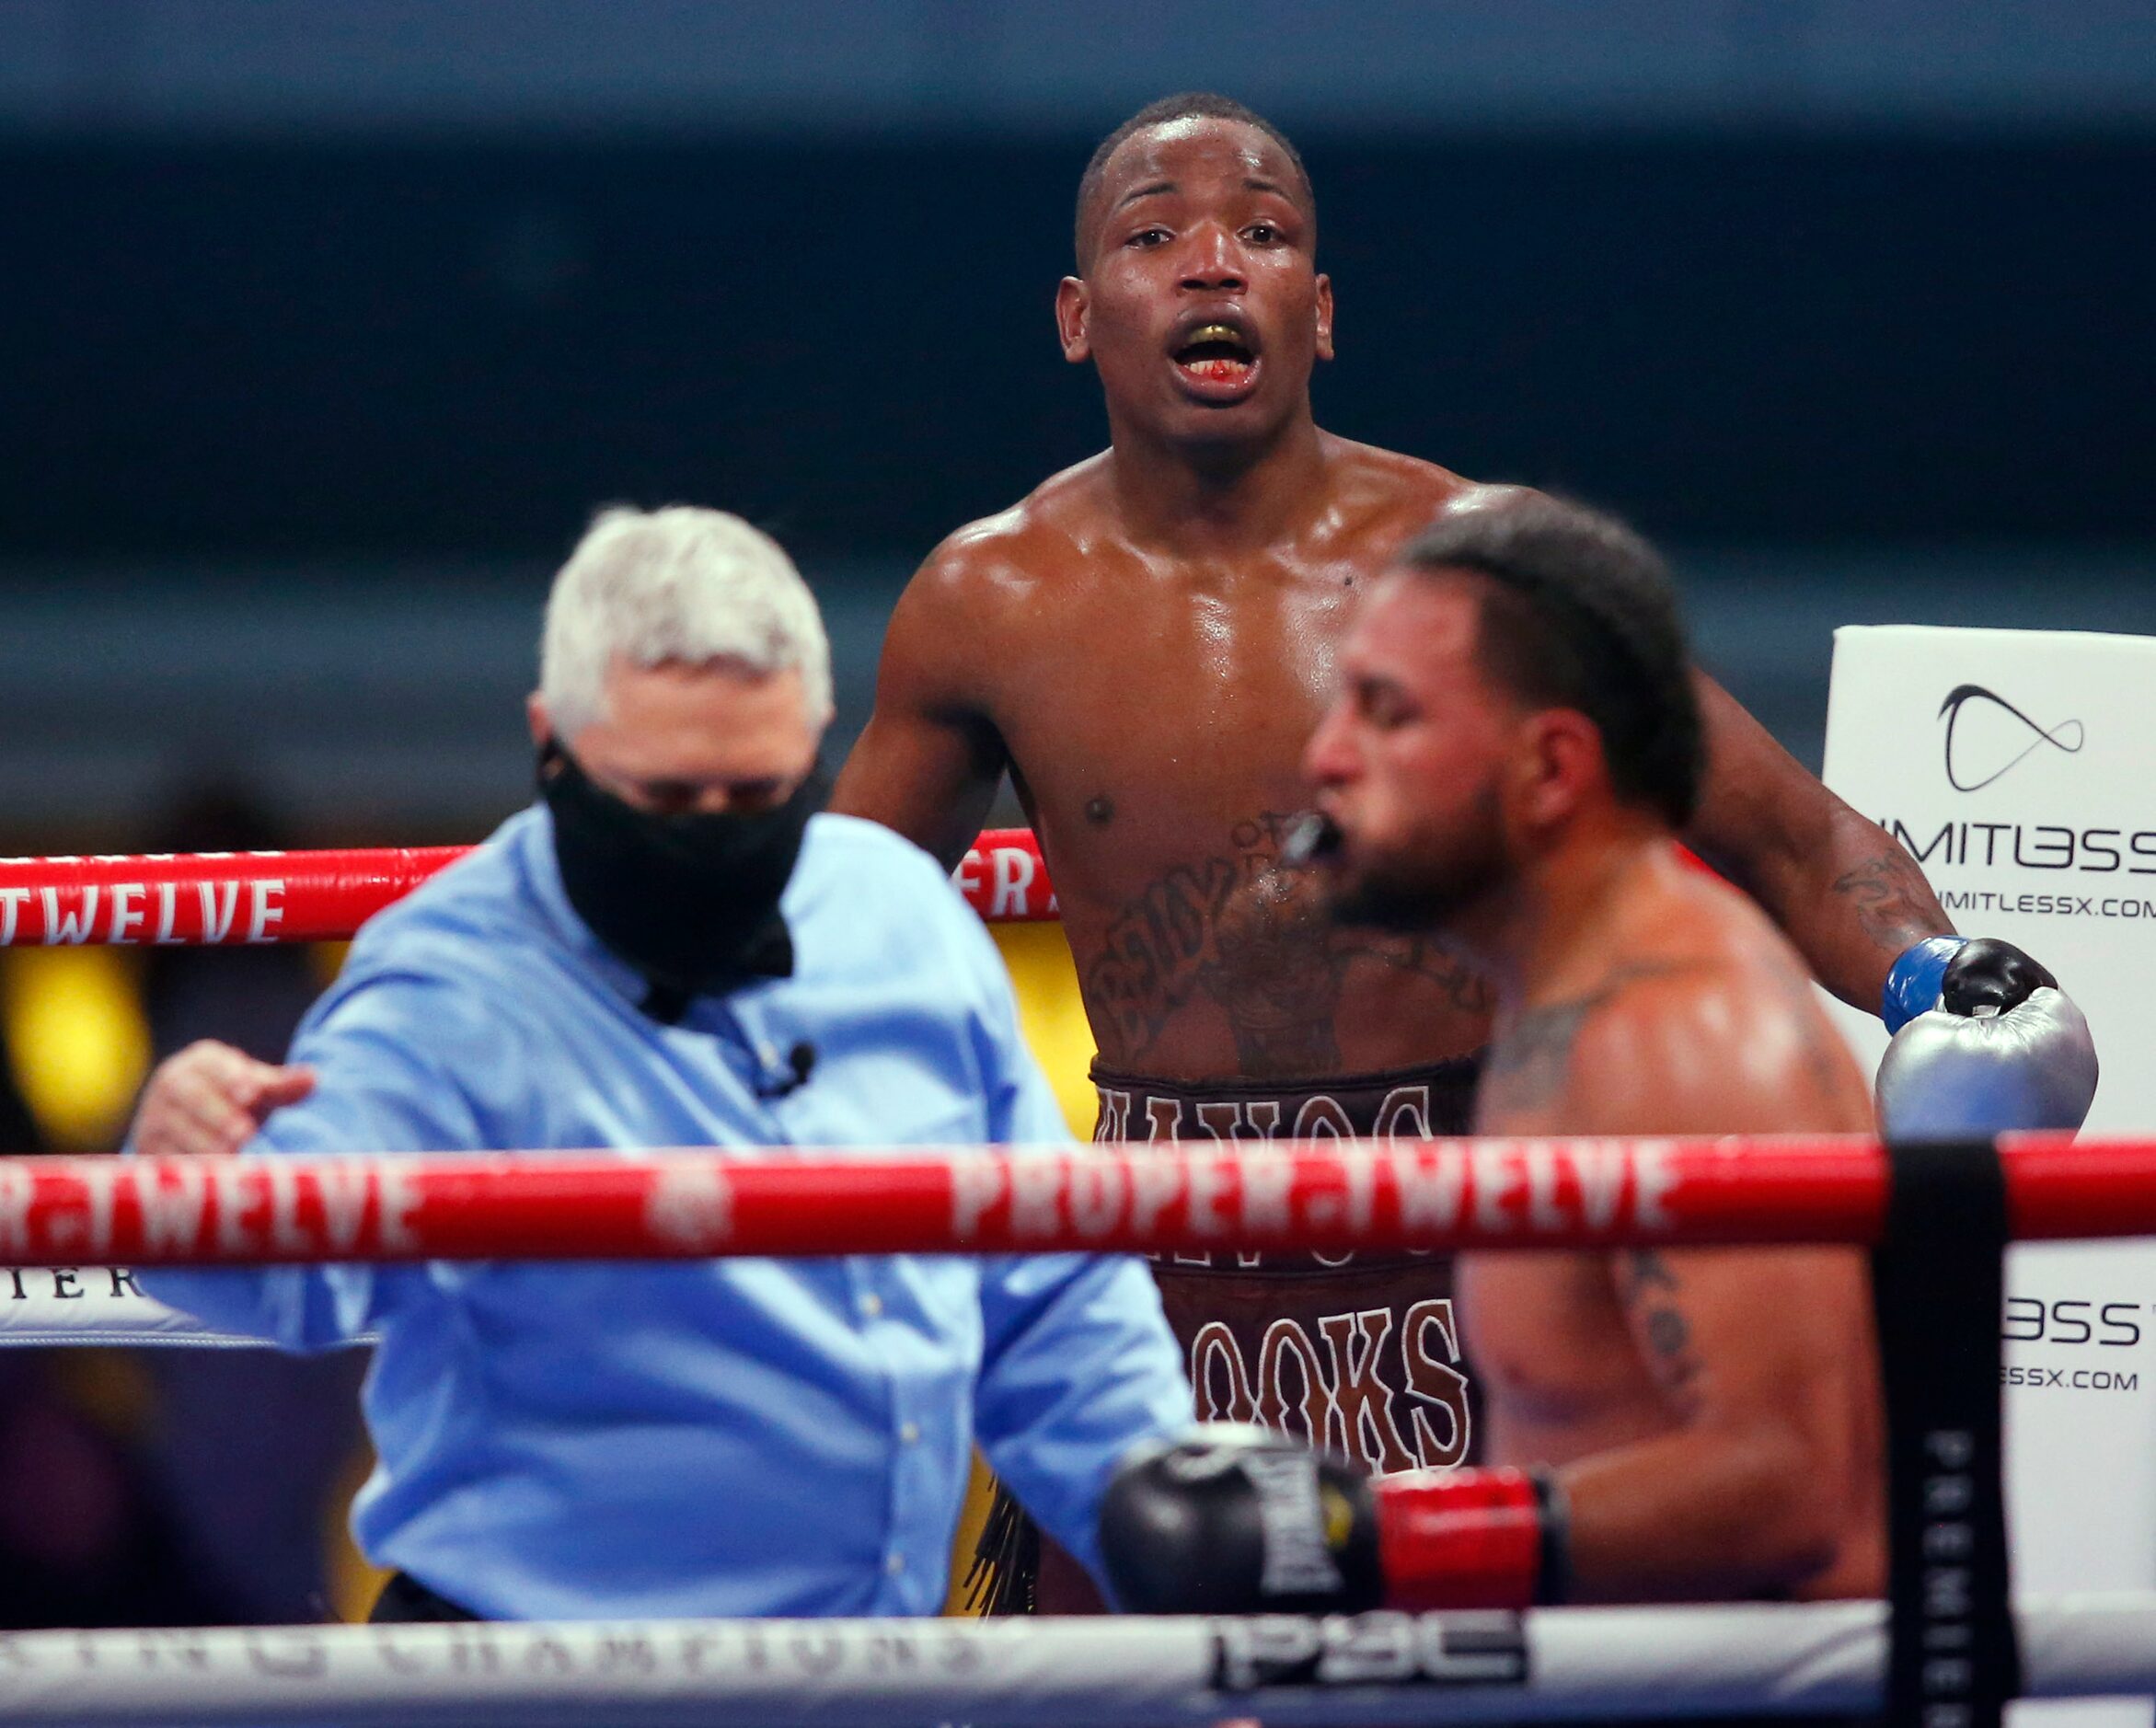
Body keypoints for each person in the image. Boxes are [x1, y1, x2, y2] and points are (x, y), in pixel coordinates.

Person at [828, 92, 2087, 1607]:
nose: (1215, 263)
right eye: (1157, 235)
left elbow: (1784, 832)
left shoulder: (1488, 564)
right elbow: (828, 936)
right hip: (1160, 1262)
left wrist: (1935, 976)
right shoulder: (987, 600)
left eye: (1265, 232)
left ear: (1322, 308)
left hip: (1481, 1235)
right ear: (1078, 314)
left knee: (1521, 1645)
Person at [125, 505, 1194, 1623]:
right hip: (541, 1687)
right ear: (555, 749)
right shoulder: (452, 983)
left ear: (815, 738)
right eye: (671, 799)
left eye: (758, 795)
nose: (717, 836)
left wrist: (1157, 1506)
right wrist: (184, 1180)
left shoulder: (896, 914)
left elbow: (1048, 1281)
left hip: (863, 1679)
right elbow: (285, 1273)